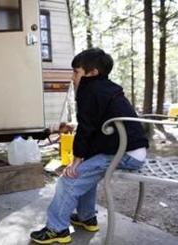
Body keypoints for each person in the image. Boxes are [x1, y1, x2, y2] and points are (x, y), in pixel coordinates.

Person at [30, 48, 149, 244]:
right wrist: (83, 157)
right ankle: (87, 217)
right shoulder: (107, 88)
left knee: (69, 180)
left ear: (92, 73)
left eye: (76, 72)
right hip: (132, 150)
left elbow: (86, 129)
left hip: (123, 153)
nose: (72, 77)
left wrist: (76, 160)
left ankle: (56, 229)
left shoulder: (89, 90)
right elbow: (94, 128)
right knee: (87, 173)